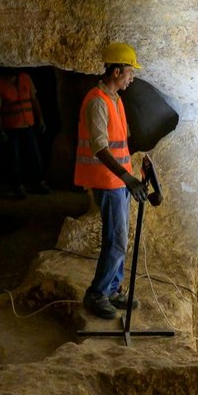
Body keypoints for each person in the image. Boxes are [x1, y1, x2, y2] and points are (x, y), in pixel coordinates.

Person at [74, 42, 148, 320]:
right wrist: (127, 178)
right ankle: (97, 294)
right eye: (130, 72)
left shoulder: (115, 99)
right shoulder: (97, 101)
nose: (132, 77)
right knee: (116, 240)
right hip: (108, 181)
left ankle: (114, 289)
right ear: (116, 71)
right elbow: (99, 147)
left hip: (118, 181)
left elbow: (121, 143)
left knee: (120, 238)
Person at [0, 68, 50, 199]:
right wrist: (0, 130)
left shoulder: (26, 78)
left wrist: (40, 119)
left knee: (35, 156)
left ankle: (39, 183)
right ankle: (18, 186)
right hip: (11, 128)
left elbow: (34, 100)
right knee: (14, 159)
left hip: (28, 125)